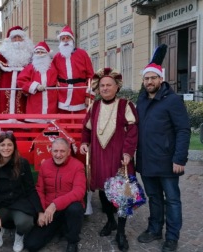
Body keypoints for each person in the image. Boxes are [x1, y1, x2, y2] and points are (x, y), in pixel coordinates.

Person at [80, 68, 138, 252]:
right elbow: (86, 129)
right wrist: (84, 142)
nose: (105, 88)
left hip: (120, 157)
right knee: (103, 192)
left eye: (108, 85)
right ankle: (111, 222)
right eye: (102, 85)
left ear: (116, 87)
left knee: (122, 195)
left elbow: (133, 131)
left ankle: (121, 231)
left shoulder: (126, 105)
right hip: (99, 155)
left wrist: (128, 152)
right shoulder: (94, 106)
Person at [135, 62, 191, 252]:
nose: (149, 81)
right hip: (146, 160)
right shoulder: (141, 100)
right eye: (146, 78)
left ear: (161, 79)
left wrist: (180, 158)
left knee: (172, 200)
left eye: (153, 78)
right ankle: (154, 229)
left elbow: (183, 130)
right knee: (154, 197)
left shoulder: (172, 100)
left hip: (167, 160)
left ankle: (172, 237)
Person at [0, 131, 42, 251]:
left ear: (14, 146)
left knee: (26, 223)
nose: (6, 148)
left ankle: (19, 235)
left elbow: (30, 189)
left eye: (9, 145)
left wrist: (40, 211)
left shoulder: (22, 163)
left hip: (18, 203)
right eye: (2, 145)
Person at [24, 138, 86, 252]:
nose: (58, 155)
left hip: (67, 208)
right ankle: (58, 227)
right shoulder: (45, 165)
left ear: (68, 152)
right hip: (49, 211)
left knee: (75, 208)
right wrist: (40, 211)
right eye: (55, 151)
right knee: (30, 244)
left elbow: (79, 191)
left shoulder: (78, 166)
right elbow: (40, 190)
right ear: (51, 151)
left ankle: (72, 241)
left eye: (62, 151)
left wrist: (55, 205)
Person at [0, 26, 34, 117]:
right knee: (5, 118)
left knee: (24, 117)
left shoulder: (31, 56)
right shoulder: (3, 55)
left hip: (24, 93)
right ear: (9, 41)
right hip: (5, 92)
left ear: (24, 40)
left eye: (19, 37)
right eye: (14, 38)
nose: (17, 40)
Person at [52, 25, 94, 114]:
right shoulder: (57, 57)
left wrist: (89, 95)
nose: (65, 40)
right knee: (63, 124)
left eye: (68, 38)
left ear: (72, 40)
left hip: (80, 94)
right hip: (62, 95)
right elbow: (52, 75)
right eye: (63, 39)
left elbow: (91, 76)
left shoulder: (82, 54)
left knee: (81, 124)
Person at [17, 41, 58, 123]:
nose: (39, 54)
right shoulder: (30, 68)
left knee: (51, 130)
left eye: (42, 52)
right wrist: (35, 86)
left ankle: (50, 136)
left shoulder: (53, 67)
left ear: (47, 54)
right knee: (35, 129)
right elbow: (21, 80)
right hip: (35, 102)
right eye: (37, 52)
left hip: (51, 102)